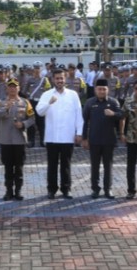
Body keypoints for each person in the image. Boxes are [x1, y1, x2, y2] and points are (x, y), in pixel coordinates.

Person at [36, 69, 84, 200]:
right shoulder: (47, 94)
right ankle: (51, 189)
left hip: (68, 136)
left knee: (66, 165)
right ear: (53, 80)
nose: (59, 81)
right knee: (52, 165)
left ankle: (66, 189)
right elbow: (39, 111)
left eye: (61, 78)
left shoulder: (73, 95)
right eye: (57, 78)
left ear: (65, 79)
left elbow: (79, 114)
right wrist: (49, 103)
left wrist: (79, 132)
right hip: (52, 137)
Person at [0, 78, 35, 201]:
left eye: (15, 86)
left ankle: (18, 191)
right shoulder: (0, 102)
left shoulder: (25, 102)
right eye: (10, 87)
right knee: (8, 167)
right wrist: (6, 108)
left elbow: (32, 119)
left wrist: (23, 124)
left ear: (19, 88)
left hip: (19, 140)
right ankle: (8, 191)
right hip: (5, 140)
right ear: (6, 89)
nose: (12, 89)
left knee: (19, 167)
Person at [82, 79, 124, 199]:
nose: (101, 91)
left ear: (108, 90)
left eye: (104, 89)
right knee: (95, 166)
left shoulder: (113, 102)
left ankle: (108, 189)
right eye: (99, 89)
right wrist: (84, 138)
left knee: (108, 166)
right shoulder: (90, 102)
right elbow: (84, 121)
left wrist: (113, 114)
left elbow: (122, 115)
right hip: (94, 139)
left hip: (109, 139)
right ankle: (95, 189)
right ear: (95, 90)